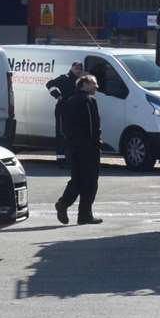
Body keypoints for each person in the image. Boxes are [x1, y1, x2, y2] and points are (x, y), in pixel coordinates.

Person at [55, 74, 103, 226]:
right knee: (90, 182)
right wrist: (96, 142)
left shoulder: (69, 101)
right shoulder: (88, 101)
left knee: (77, 179)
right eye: (93, 84)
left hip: (72, 146)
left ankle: (64, 203)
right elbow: (92, 125)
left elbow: (62, 125)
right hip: (88, 148)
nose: (96, 87)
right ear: (84, 84)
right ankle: (84, 214)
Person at [46, 61, 85, 162]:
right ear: (71, 68)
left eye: (80, 69)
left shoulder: (81, 81)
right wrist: (57, 95)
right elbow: (50, 84)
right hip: (63, 109)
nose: (78, 70)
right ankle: (61, 158)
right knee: (61, 133)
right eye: (76, 68)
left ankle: (71, 157)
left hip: (76, 111)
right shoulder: (64, 78)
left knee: (73, 134)